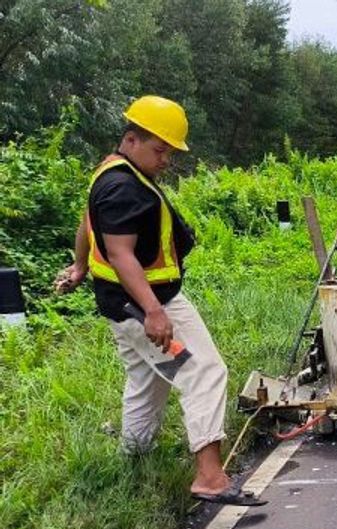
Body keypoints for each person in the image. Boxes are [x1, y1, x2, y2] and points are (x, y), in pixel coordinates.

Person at [53, 95, 265, 506]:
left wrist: (79, 266)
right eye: (160, 149)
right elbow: (120, 253)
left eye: (170, 151)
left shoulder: (109, 170)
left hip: (121, 305)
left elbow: (87, 223)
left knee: (147, 379)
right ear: (131, 139)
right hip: (146, 307)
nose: (166, 159)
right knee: (203, 371)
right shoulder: (124, 188)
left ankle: (134, 458)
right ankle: (209, 477)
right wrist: (154, 311)